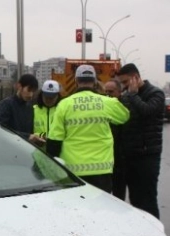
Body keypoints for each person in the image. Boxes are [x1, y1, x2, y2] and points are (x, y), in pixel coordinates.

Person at [47, 65, 130, 193]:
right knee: (100, 210)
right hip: (102, 169)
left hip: (73, 170)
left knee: (76, 209)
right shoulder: (107, 102)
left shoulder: (64, 104)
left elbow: (54, 139)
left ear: (75, 81)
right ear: (95, 81)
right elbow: (124, 116)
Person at [116, 63, 166, 219]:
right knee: (135, 200)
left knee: (148, 201)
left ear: (135, 78)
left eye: (125, 82)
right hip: (129, 156)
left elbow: (147, 111)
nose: (123, 87)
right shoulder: (126, 96)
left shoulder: (156, 94)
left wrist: (133, 95)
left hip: (147, 156)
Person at [0, 73, 39, 142]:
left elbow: (30, 131)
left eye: (33, 91)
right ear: (19, 86)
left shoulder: (29, 107)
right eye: (29, 90)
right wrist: (27, 137)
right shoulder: (6, 104)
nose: (31, 95)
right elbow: (1, 130)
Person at [103, 78, 127, 200]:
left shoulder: (125, 107)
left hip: (120, 159)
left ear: (119, 92)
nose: (107, 94)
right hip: (104, 159)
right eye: (105, 91)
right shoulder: (100, 107)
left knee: (118, 196)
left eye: (111, 92)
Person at [32, 80, 62, 148]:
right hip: (37, 153)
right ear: (41, 95)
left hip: (56, 155)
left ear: (57, 96)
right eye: (46, 97)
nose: (48, 100)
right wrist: (40, 136)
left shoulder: (62, 111)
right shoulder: (33, 110)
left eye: (52, 98)